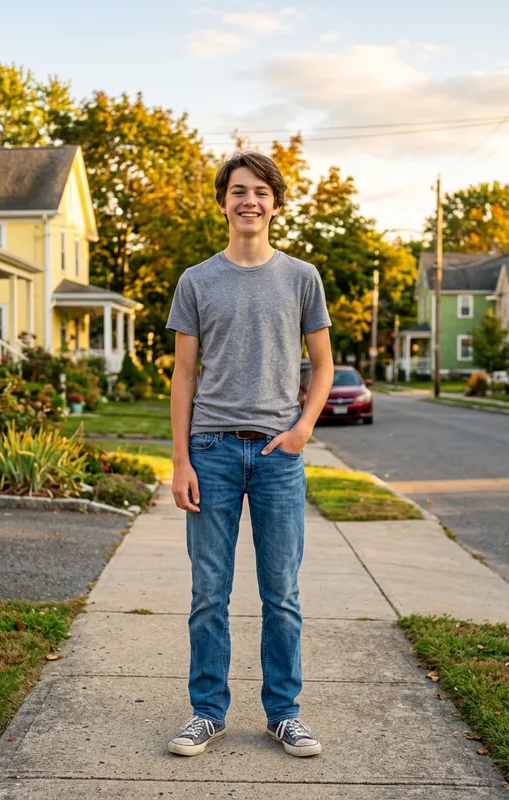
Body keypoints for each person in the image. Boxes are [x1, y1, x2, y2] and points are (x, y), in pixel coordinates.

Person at [165, 151, 334, 758]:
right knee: (209, 591)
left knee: (280, 593)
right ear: (222, 202)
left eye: (261, 191)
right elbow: (184, 377)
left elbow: (323, 364)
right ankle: (207, 712)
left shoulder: (301, 278)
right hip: (209, 449)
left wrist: (302, 429)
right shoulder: (196, 281)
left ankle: (283, 713)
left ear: (275, 203)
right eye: (238, 191)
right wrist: (181, 460)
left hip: (277, 457)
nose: (249, 201)